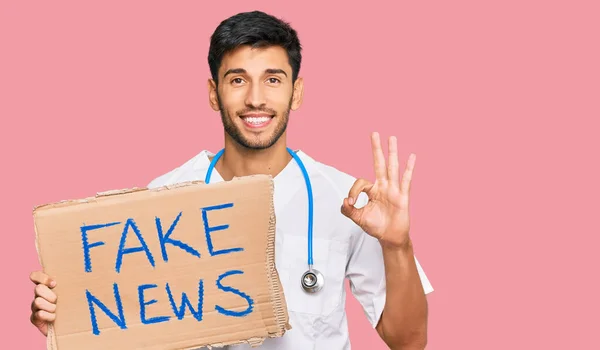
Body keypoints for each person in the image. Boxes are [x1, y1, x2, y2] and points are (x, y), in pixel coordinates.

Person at [28, 10, 434, 350]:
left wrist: (397, 244)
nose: (255, 98)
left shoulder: (349, 201)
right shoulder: (162, 201)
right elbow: (126, 325)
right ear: (213, 93)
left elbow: (409, 341)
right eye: (237, 80)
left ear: (296, 92)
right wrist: (66, 316)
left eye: (273, 79)